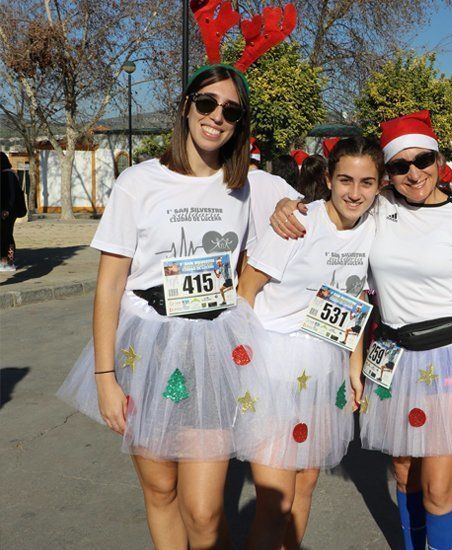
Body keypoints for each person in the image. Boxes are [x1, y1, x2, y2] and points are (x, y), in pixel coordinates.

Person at [55, 4, 297, 546]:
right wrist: (104, 377)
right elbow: (110, 283)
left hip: (214, 344)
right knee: (160, 491)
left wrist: (285, 211)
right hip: (146, 341)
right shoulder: (138, 182)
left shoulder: (250, 184)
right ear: (186, 107)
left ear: (240, 123)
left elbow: (320, 213)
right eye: (207, 103)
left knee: (206, 512)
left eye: (231, 111)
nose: (217, 116)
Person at [270, 110, 452, 550]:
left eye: (423, 160)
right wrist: (285, 206)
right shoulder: (377, 208)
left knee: (438, 484)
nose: (414, 173)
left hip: (451, 353)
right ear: (388, 173)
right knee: (405, 471)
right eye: (399, 165)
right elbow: (331, 212)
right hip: (390, 356)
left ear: (440, 160)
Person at [237, 137, 381, 548]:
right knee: (274, 500)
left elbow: (353, 303)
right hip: (275, 368)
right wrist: (243, 365)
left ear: (379, 186)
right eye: (346, 180)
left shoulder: (371, 228)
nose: (355, 193)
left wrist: (355, 368)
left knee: (305, 486)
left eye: (367, 182)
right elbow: (246, 291)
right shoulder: (297, 222)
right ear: (329, 179)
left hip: (325, 369)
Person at [0, 152, 21, 271]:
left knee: (7, 236)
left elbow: (12, 196)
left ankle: (9, 262)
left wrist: (7, 209)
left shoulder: (9, 175)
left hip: (8, 213)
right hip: (3, 212)